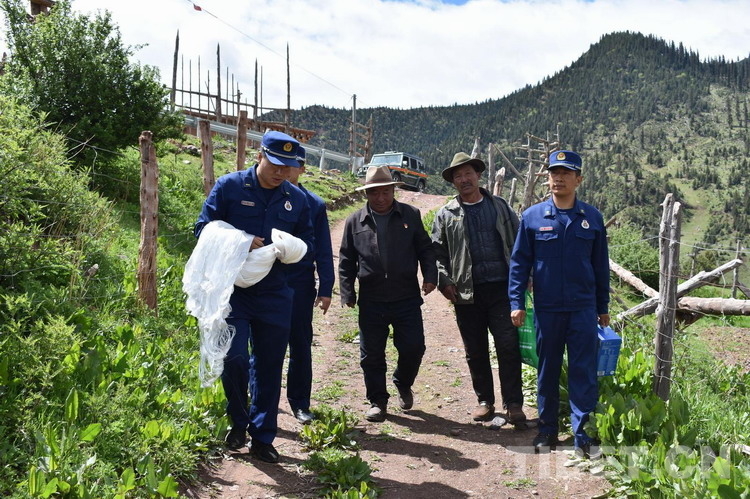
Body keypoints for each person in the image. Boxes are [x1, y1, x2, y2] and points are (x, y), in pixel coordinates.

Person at [194, 130, 314, 463]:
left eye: (287, 167)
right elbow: (202, 229)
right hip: (232, 292)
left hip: (276, 294)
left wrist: (292, 249)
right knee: (234, 357)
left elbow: (308, 244)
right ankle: (238, 420)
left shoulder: (296, 199)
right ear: (259, 156)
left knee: (269, 364)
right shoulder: (230, 187)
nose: (281, 172)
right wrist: (240, 241)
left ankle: (263, 437)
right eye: (275, 164)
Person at [508, 150, 610, 459]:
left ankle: (583, 435)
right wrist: (516, 301)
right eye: (554, 173)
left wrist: (602, 307)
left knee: (583, 372)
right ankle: (547, 430)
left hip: (582, 309)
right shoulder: (533, 217)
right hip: (547, 309)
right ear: (548, 178)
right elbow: (519, 264)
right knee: (547, 370)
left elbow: (600, 266)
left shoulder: (592, 218)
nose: (559, 178)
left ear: (579, 179)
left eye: (566, 173)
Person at [431, 152, 526, 424]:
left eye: (468, 174)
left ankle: (513, 404)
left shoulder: (499, 207)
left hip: (502, 289)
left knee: (508, 346)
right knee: (475, 349)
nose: (464, 179)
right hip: (466, 292)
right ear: (453, 182)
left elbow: (520, 243)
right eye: (458, 176)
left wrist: (524, 277)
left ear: (478, 175)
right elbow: (436, 253)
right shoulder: (446, 214)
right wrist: (444, 281)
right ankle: (485, 401)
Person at [338, 165, 437, 422]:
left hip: (406, 297)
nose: (381, 198)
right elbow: (346, 259)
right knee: (371, 354)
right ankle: (377, 401)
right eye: (375, 193)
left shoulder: (410, 215)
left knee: (414, 347)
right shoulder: (355, 221)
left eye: (385, 192)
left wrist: (430, 276)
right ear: (367, 194)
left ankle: (403, 382)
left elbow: (425, 249)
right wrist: (347, 291)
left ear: (393, 191)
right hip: (372, 299)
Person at [284, 146, 334, 424]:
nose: (287, 169)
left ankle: (300, 402)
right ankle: (260, 399)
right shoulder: (264, 197)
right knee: (263, 345)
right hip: (263, 283)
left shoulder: (314, 204)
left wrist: (326, 287)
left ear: (302, 169)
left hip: (300, 284)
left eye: (294, 164)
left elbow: (324, 249)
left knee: (300, 344)